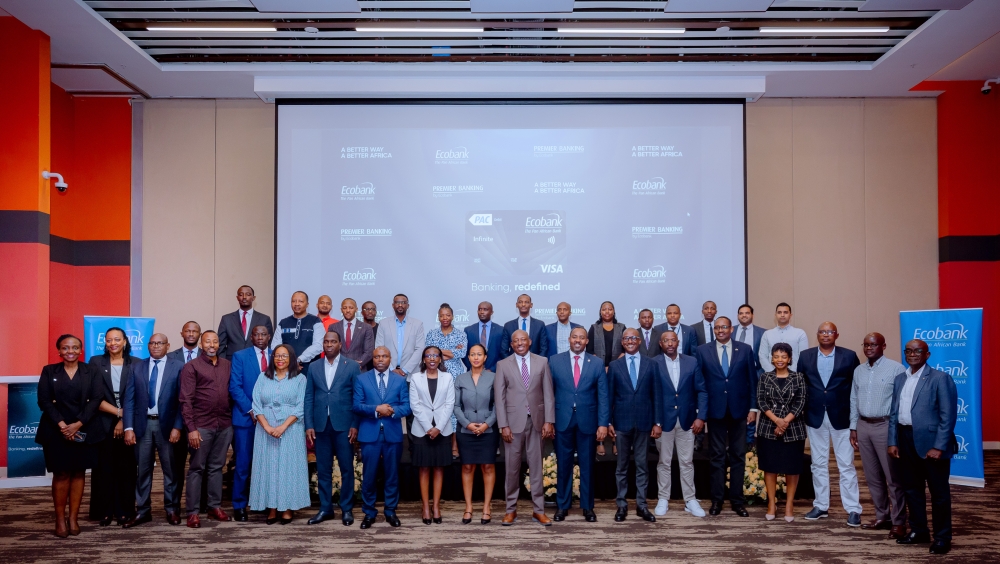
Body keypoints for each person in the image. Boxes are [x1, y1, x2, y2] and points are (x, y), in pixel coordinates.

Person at [888, 339, 958, 555]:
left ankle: (942, 537)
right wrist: (893, 441)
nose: (912, 354)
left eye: (918, 351)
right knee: (912, 490)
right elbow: (893, 414)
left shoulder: (940, 378)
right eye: (908, 351)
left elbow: (948, 416)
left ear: (927, 354)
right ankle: (919, 530)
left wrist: (939, 446)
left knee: (939, 494)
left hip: (931, 443)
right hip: (905, 439)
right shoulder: (900, 378)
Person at [36, 335, 103, 537]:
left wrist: (78, 424)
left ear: (81, 350)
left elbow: (97, 398)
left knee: (78, 473)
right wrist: (63, 425)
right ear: (59, 351)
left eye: (74, 347)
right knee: (61, 473)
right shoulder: (49, 371)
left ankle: (73, 518)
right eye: (65, 348)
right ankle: (59, 520)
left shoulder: (91, 370)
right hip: (56, 429)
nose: (70, 351)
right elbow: (44, 401)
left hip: (84, 428)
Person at [799, 322, 863, 526]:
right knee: (818, 464)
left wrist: (856, 420)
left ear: (836, 334)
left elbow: (856, 386)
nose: (825, 335)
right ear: (817, 335)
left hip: (842, 417)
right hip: (815, 416)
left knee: (846, 465)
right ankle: (821, 505)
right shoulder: (805, 356)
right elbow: (801, 385)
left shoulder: (849, 356)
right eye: (821, 332)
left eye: (829, 332)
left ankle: (853, 508)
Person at [696, 317, 757, 517]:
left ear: (731, 329)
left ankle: (737, 501)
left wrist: (753, 408)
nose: (720, 330)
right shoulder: (703, 350)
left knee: (738, 456)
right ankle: (717, 500)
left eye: (724, 327)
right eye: (717, 328)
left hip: (740, 411)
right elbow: (700, 384)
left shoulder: (745, 349)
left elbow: (751, 380)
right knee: (717, 457)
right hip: (715, 411)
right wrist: (701, 411)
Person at [122, 333, 185, 527]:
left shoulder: (179, 367)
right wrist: (128, 427)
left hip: (167, 426)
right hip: (142, 425)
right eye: (152, 343)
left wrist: (177, 426)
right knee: (143, 471)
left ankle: (172, 509)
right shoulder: (136, 366)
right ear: (148, 346)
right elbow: (129, 400)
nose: (156, 346)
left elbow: (183, 401)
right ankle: (143, 511)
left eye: (160, 343)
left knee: (170, 471)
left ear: (168, 346)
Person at [495, 329, 555, 526]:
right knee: (512, 469)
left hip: (537, 422)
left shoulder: (542, 361)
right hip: (512, 424)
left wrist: (549, 420)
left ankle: (538, 510)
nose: (520, 343)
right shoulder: (502, 365)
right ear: (511, 345)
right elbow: (499, 397)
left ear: (529, 341)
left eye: (523, 339)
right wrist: (503, 425)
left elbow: (548, 393)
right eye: (515, 341)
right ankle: (510, 510)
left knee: (536, 468)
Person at [850, 332, 907, 539]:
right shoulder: (858, 371)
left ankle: (899, 521)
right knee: (873, 478)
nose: (869, 348)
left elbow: (901, 402)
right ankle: (882, 516)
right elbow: (853, 398)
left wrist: (895, 431)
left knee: (893, 479)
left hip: (886, 426)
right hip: (863, 426)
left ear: (883, 346)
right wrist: (853, 427)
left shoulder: (896, 369)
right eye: (865, 345)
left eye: (873, 345)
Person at [550, 327, 608, 522]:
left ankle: (588, 507)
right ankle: (562, 506)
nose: (577, 340)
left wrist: (603, 423)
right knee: (563, 465)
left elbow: (603, 396)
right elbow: (548, 394)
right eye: (574, 337)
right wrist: (548, 420)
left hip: (588, 422)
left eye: (581, 338)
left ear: (587, 341)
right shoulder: (555, 361)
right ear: (569, 339)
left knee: (587, 466)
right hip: (562, 420)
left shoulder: (597, 363)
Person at [249, 344, 311, 525]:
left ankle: (287, 507)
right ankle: (272, 508)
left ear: (291, 358)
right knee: (268, 467)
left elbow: (301, 406)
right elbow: (256, 404)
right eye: (277, 355)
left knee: (288, 468)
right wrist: (267, 427)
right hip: (264, 430)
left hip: (291, 429)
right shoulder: (263, 377)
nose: (280, 359)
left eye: (284, 356)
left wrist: (283, 426)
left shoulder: (300, 379)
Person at [305, 330, 361, 526]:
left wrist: (355, 424)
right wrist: (309, 424)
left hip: (344, 426)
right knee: (323, 470)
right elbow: (309, 397)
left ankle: (346, 509)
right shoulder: (313, 367)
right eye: (326, 342)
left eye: (333, 342)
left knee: (346, 469)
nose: (329, 345)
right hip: (321, 426)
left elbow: (357, 397)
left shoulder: (352, 366)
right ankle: (325, 509)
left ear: (340, 345)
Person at [650, 329, 707, 518]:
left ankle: (690, 500)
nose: (670, 343)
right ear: (661, 344)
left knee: (687, 462)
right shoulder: (653, 363)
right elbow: (651, 395)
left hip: (687, 421)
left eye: (673, 340)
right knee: (664, 462)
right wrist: (655, 421)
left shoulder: (691, 362)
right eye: (666, 340)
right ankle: (663, 499)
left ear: (678, 341)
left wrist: (701, 417)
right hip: (663, 422)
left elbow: (702, 391)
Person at [178, 330, 233, 528]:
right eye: (208, 341)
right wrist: (191, 429)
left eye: (215, 341)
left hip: (224, 424)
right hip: (201, 426)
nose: (212, 344)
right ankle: (193, 512)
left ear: (219, 344)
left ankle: (214, 507)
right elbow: (186, 400)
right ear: (202, 344)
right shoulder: (191, 367)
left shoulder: (227, 365)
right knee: (196, 468)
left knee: (216, 467)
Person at [353, 346, 412, 529]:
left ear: (390, 358)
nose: (380, 359)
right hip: (369, 435)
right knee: (369, 476)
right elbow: (357, 405)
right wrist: (377, 410)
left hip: (392, 435)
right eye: (377, 356)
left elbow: (407, 406)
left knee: (392, 475)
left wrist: (392, 411)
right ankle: (369, 513)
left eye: (384, 356)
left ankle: (390, 511)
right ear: (372, 358)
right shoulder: (361, 379)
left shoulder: (400, 380)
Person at [90, 327, 141, 526]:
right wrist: (118, 413)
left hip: (130, 425)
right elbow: (93, 395)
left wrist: (124, 420)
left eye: (117, 339)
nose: (113, 343)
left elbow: (138, 396)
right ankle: (103, 511)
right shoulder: (96, 362)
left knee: (127, 468)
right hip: (102, 422)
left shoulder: (136, 363)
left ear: (125, 342)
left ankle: (124, 510)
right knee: (103, 469)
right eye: (109, 340)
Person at [607, 328, 659, 523]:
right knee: (621, 467)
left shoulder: (651, 364)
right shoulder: (614, 365)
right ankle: (621, 505)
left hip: (644, 423)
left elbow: (657, 395)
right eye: (626, 338)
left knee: (642, 466)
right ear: (622, 342)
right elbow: (609, 397)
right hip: (621, 423)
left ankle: (642, 506)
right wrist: (609, 422)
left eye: (633, 338)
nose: (630, 341)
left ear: (639, 341)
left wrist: (657, 422)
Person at [756, 343, 807, 522]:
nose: (780, 360)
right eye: (776, 356)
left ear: (790, 358)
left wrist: (785, 421)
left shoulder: (799, 377)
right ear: (772, 358)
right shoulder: (764, 377)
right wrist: (777, 420)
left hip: (793, 428)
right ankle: (771, 503)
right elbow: (761, 401)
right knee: (770, 467)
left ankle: (789, 504)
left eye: (783, 356)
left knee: (792, 468)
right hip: (768, 427)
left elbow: (800, 402)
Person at [228, 325, 271, 522]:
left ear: (269, 336)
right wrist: (252, 409)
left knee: (267, 464)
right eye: (256, 334)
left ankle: (263, 502)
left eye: (264, 334)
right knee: (243, 464)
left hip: (272, 420)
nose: (260, 337)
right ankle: (239, 505)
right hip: (246, 418)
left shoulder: (278, 355)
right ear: (251, 337)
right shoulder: (240, 356)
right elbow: (235, 387)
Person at [410, 346, 456, 525]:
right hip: (422, 430)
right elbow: (415, 405)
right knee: (424, 469)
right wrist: (429, 427)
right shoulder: (415, 378)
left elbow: (449, 403)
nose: (431, 358)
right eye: (428, 355)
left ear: (440, 359)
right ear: (423, 359)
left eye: (435, 355)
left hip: (442, 430)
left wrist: (438, 427)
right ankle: (426, 507)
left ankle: (436, 506)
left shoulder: (448, 377)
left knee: (438, 468)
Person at [454, 343, 499, 525]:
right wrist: (468, 424)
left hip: (488, 429)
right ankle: (469, 507)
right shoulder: (460, 379)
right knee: (467, 467)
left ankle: (487, 507)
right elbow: (456, 407)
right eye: (472, 354)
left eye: (479, 354)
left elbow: (498, 406)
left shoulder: (494, 378)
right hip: (466, 430)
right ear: (468, 357)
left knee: (488, 467)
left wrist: (486, 424)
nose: (475, 357)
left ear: (485, 357)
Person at [733, 304, 766, 444]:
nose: (744, 315)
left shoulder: (763, 332)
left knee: (752, 409)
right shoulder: (731, 331)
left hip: (754, 376)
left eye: (747, 313)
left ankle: (750, 444)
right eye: (741, 313)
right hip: (734, 378)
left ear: (752, 315)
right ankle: (736, 444)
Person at [374, 293, 426, 377]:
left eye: (403, 302)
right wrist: (390, 368)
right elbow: (379, 348)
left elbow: (420, 349)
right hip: (388, 372)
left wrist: (405, 370)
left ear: (408, 305)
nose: (400, 305)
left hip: (410, 373)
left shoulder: (417, 324)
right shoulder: (383, 323)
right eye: (397, 302)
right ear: (393, 305)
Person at [217, 285, 274, 361]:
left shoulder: (265, 319)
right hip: (232, 362)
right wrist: (223, 364)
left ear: (253, 298)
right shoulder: (226, 319)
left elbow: (269, 344)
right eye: (241, 294)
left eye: (248, 294)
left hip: (257, 362)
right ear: (237, 298)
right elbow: (221, 345)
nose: (244, 297)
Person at [272, 291, 324, 371]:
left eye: (301, 301)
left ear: (307, 304)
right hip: (286, 368)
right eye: (294, 301)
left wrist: (299, 359)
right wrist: (288, 361)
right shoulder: (283, 323)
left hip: (310, 368)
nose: (296, 304)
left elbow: (318, 345)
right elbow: (275, 346)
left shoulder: (316, 321)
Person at [758, 303, 809, 372]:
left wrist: (791, 373)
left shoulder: (800, 333)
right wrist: (773, 373)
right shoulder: (767, 334)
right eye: (779, 312)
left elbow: (803, 357)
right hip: (771, 376)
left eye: (785, 312)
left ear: (790, 315)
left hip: (794, 375)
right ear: (775, 315)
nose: (782, 315)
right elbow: (762, 356)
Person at [426, 303, 468, 380]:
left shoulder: (461, 334)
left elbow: (462, 353)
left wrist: (437, 352)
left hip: (456, 374)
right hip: (435, 372)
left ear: (452, 317)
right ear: (438, 318)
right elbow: (429, 354)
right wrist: (452, 352)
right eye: (441, 316)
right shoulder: (431, 334)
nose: (445, 318)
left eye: (448, 315)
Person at [500, 294, 548, 358]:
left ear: (531, 305)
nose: (523, 304)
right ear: (516, 305)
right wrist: (511, 364)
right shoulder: (508, 326)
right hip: (513, 364)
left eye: (526, 302)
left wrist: (538, 364)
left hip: (535, 364)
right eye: (520, 302)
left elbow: (544, 348)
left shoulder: (540, 324)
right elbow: (504, 350)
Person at [331, 298, 374, 369]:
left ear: (356, 309)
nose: (348, 310)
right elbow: (331, 349)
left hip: (359, 369)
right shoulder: (333, 327)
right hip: (338, 369)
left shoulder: (366, 327)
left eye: (351, 308)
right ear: (341, 310)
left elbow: (369, 351)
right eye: (345, 308)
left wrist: (355, 364)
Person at [463, 301, 503, 372]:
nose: (482, 312)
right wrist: (474, 368)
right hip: (473, 372)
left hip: (494, 373)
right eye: (480, 309)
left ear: (492, 312)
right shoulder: (468, 330)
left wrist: (492, 369)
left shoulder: (500, 330)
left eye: (485, 309)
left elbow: (503, 354)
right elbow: (464, 353)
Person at [587, 301, 627, 369]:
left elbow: (626, 349)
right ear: (600, 312)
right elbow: (589, 350)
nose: (607, 311)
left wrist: (615, 365)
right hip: (598, 367)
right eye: (604, 309)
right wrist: (600, 365)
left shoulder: (622, 327)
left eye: (610, 309)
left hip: (618, 367)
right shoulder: (594, 328)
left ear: (614, 311)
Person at [361, 301, 379, 371]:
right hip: (362, 366)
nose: (370, 311)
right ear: (362, 313)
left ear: (376, 312)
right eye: (367, 309)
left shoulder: (380, 328)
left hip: (377, 367)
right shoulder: (357, 329)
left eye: (373, 309)